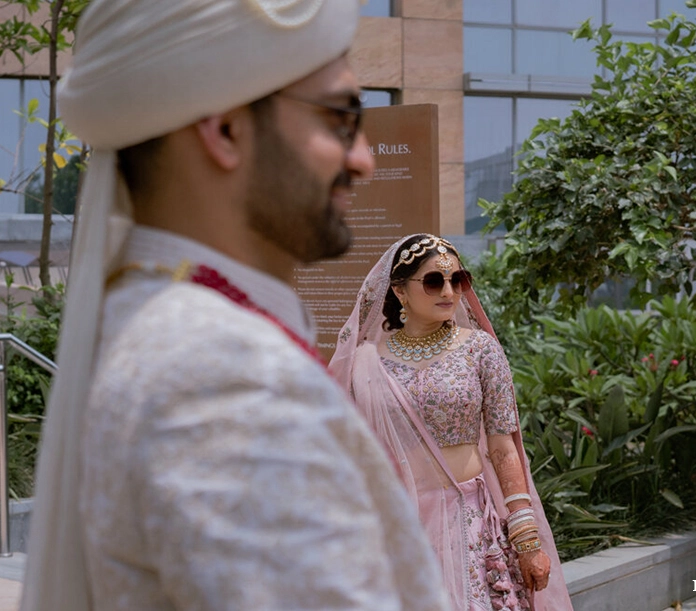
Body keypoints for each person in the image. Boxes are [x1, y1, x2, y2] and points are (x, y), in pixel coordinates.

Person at [20, 2, 451, 610]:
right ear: (224, 130)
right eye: (340, 118)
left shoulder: (159, 321)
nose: (364, 160)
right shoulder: (223, 374)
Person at [329, 234, 575, 611]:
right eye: (433, 281)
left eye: (457, 280)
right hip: (397, 529)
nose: (449, 291)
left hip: (472, 523)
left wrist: (526, 537)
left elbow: (503, 445)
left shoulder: (480, 349)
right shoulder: (365, 363)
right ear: (399, 291)